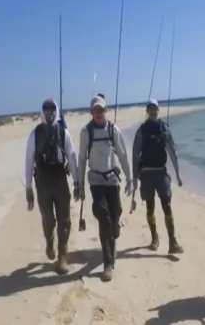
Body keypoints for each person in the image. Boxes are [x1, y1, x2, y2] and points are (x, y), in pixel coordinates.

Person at [77, 96, 133, 282]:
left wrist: (129, 179)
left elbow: (123, 155)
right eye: (95, 111)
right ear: (91, 113)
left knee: (115, 212)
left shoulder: (112, 129)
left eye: (101, 110)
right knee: (103, 216)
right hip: (95, 180)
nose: (98, 114)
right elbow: (81, 159)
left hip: (112, 179)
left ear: (106, 111)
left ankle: (115, 229)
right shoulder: (86, 132)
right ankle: (108, 262)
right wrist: (80, 184)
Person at [25, 98, 80, 275]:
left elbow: (71, 156)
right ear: (42, 112)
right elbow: (28, 161)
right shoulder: (35, 134)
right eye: (46, 110)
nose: (49, 114)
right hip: (43, 184)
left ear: (55, 111)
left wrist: (77, 182)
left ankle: (62, 257)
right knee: (48, 220)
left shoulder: (63, 132)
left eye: (52, 110)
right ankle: (49, 240)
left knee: (64, 220)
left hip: (61, 182)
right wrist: (28, 188)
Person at [132, 99, 184, 254]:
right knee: (150, 207)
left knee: (167, 205)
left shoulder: (164, 128)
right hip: (146, 174)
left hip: (161, 173)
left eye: (155, 109)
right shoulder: (141, 131)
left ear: (158, 111)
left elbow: (172, 151)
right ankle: (154, 237)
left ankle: (172, 241)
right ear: (147, 111)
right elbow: (135, 154)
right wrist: (134, 177)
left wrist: (177, 173)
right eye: (150, 109)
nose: (153, 111)